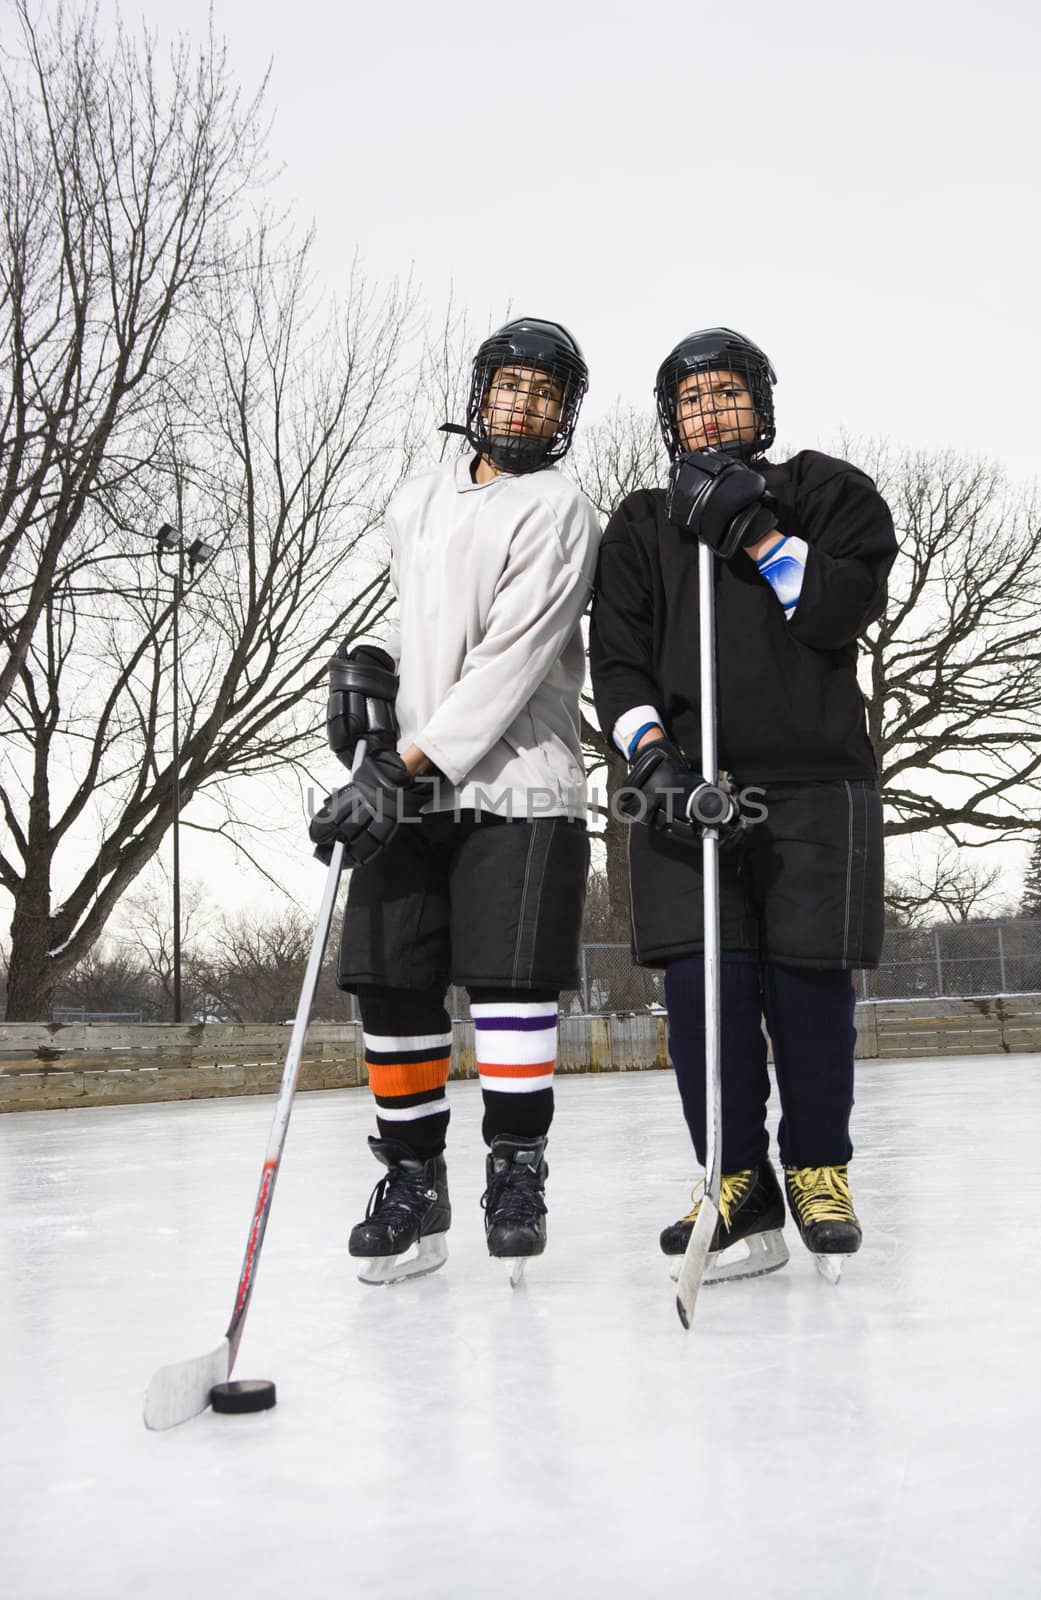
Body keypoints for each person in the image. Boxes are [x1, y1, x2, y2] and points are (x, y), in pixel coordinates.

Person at [589, 327, 897, 1282]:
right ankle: (734, 1179)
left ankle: (816, 1170)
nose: (709, 412)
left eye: (726, 394)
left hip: (814, 782)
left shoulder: (826, 491)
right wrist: (653, 762)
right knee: (701, 993)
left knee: (809, 990)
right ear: (668, 418)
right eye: (692, 400)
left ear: (760, 404)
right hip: (688, 789)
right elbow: (619, 660)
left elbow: (839, 612)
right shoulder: (641, 525)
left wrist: (758, 536)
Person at [309, 318, 601, 1284]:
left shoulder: (559, 509)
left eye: (544, 394)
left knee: (509, 986)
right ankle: (411, 1176)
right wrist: (375, 678)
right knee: (392, 980)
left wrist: (403, 765)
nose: (523, 404)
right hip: (410, 779)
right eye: (510, 386)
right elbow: (424, 629)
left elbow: (509, 661)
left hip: (518, 782)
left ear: (564, 415)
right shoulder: (415, 497)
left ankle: (515, 1169)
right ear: (479, 392)